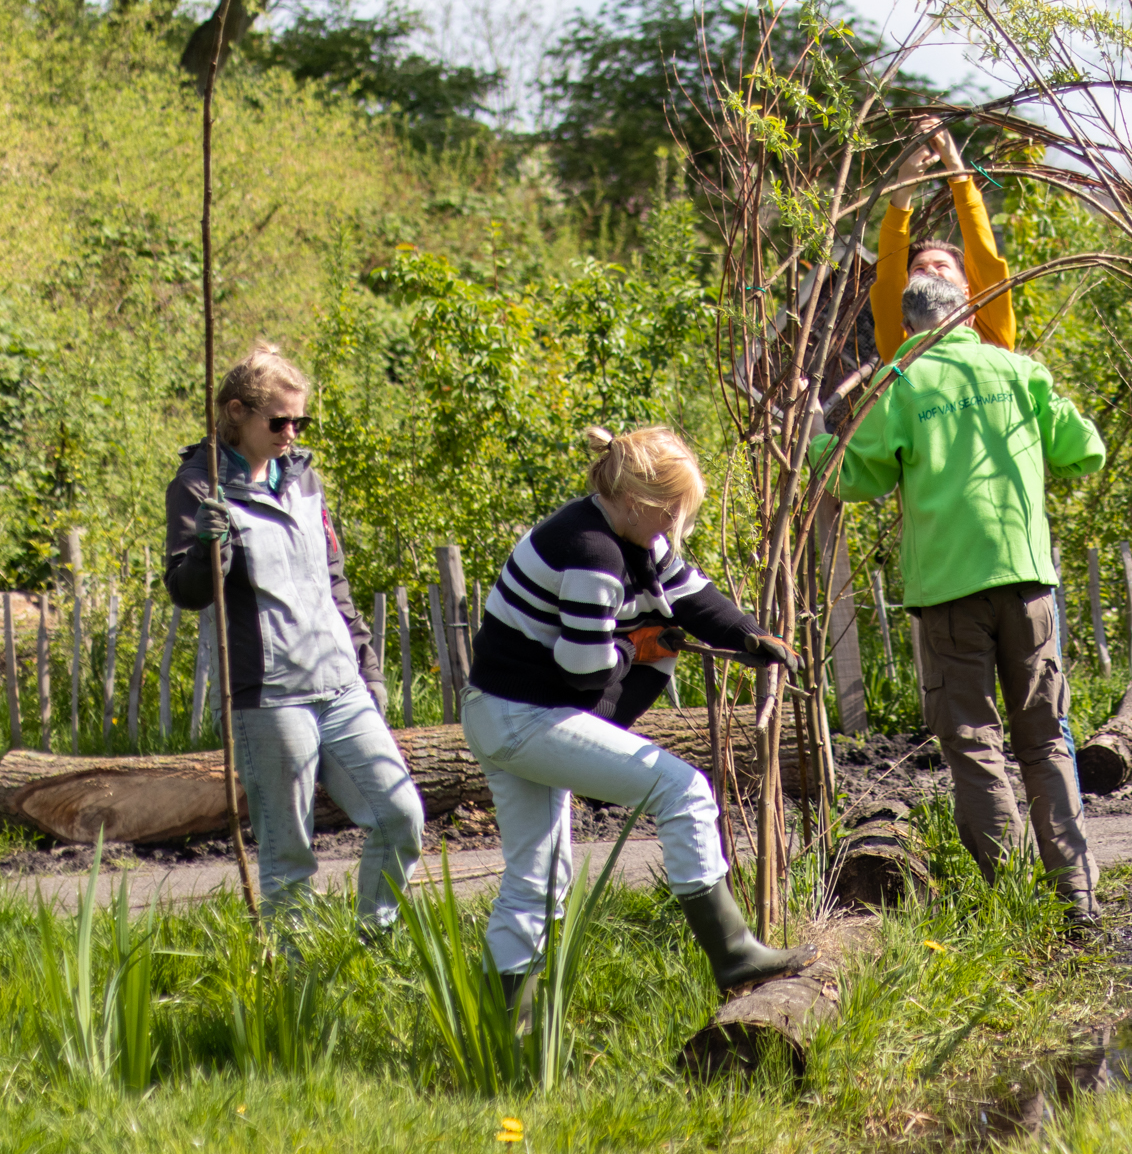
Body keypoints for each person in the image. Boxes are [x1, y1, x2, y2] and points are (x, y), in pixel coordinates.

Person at [461, 426, 811, 999]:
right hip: (524, 716)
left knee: (538, 880)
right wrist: (639, 648)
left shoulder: (631, 534)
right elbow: (584, 673)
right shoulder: (592, 553)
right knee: (684, 791)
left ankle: (510, 1034)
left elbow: (693, 594)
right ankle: (732, 953)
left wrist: (751, 636)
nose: (677, 525)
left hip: (505, 711)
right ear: (634, 500)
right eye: (672, 510)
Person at [810, 273, 1106, 921]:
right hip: (1027, 580)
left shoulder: (903, 383)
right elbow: (1085, 451)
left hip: (947, 593)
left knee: (974, 741)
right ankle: (1076, 896)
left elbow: (856, 474)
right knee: (1046, 738)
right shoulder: (1018, 370)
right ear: (967, 311)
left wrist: (815, 444)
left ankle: (1015, 899)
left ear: (910, 326)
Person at [164, 342, 425, 933]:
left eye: (300, 421)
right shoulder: (199, 486)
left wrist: (367, 664)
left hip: (339, 683)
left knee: (400, 815)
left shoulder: (304, 477)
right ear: (236, 412)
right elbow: (187, 591)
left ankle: (370, 944)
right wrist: (210, 548)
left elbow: (332, 579)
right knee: (289, 858)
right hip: (269, 694)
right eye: (278, 420)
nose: (291, 432)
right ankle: (297, 981)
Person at [869, 116, 1014, 358]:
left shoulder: (990, 337)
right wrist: (903, 187)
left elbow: (984, 257)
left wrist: (954, 163)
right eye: (919, 269)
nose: (931, 272)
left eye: (941, 265)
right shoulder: (902, 343)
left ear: (968, 292)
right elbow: (889, 279)